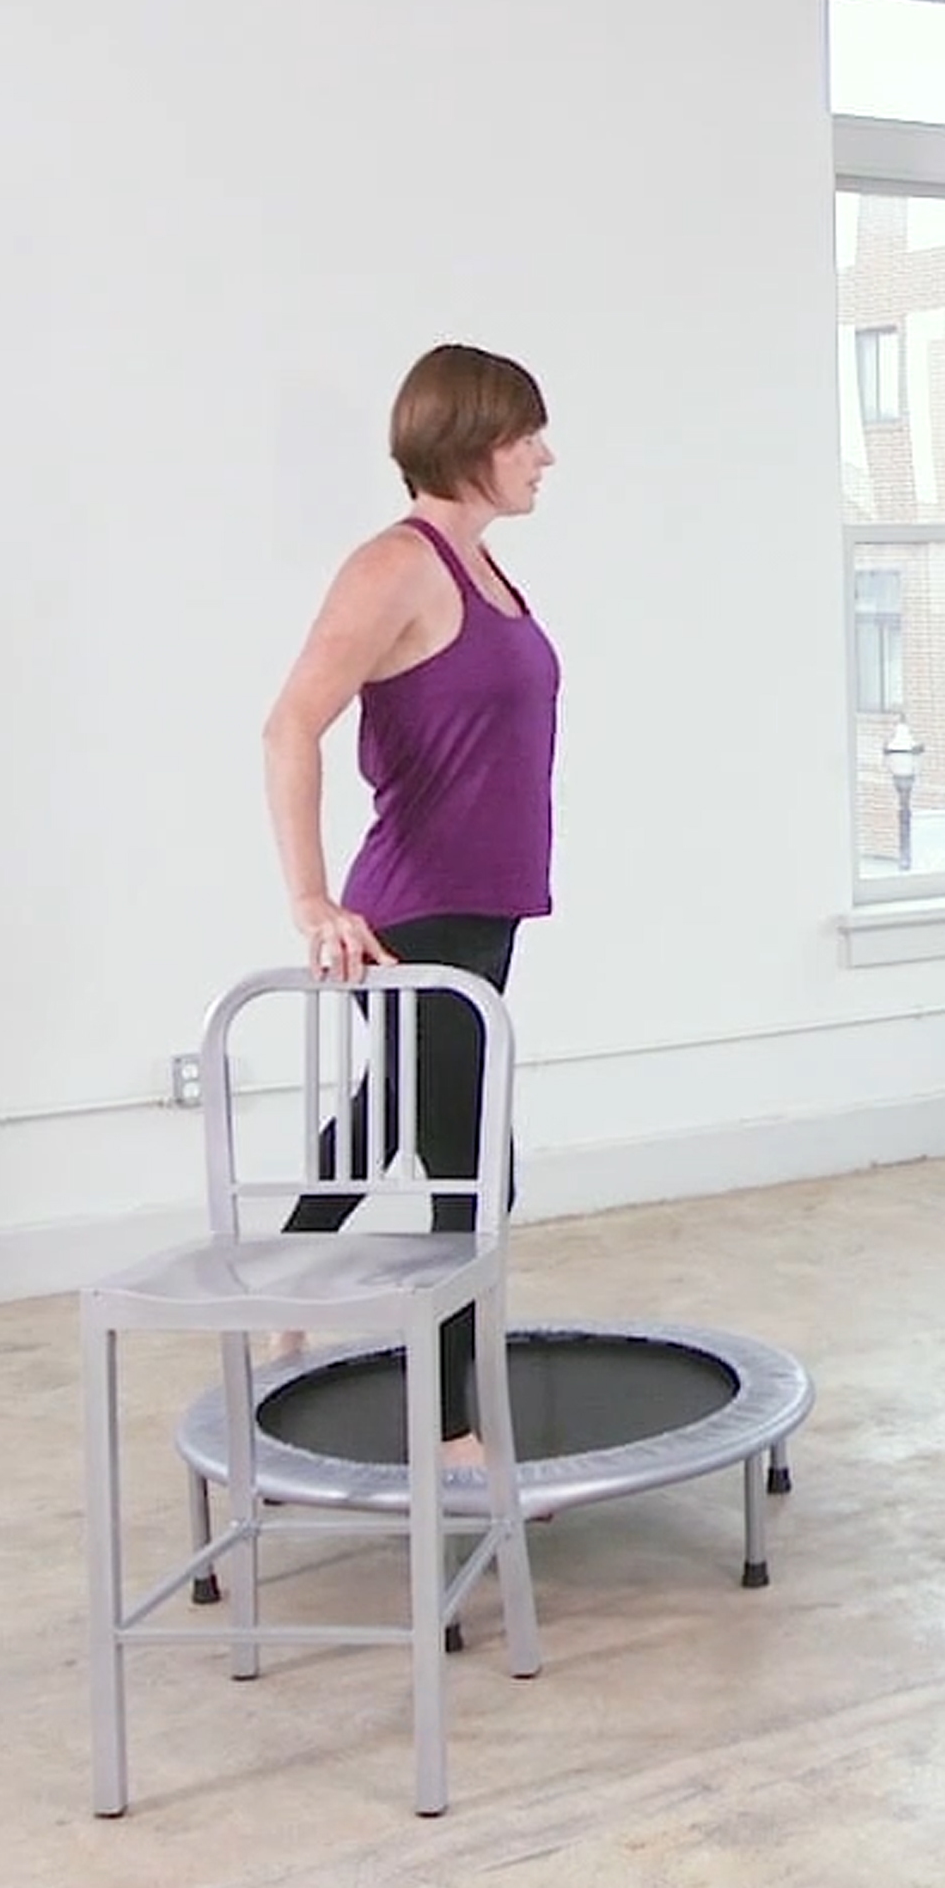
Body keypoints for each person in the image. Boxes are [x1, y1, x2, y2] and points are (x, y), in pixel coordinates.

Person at [261, 343, 561, 1470]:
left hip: (482, 914)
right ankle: (449, 1436)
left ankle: (279, 1285)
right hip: (414, 919)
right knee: (474, 1170)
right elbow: (291, 722)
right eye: (527, 434)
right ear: (474, 441)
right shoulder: (396, 565)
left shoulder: (483, 571)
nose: (545, 456)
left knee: (391, 1118)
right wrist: (310, 899)